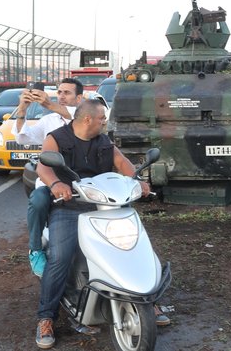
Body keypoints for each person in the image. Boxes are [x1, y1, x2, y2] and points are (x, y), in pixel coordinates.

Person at [33, 99, 166, 348]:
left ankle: (148, 301)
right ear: (87, 119)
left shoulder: (103, 141)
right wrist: (56, 184)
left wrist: (137, 181)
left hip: (107, 206)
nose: (104, 121)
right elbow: (43, 166)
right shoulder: (58, 138)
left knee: (135, 245)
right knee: (60, 257)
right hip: (69, 206)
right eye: (102, 118)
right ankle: (45, 317)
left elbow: (122, 163)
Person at [13, 78, 83, 279]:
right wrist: (22, 108)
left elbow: (74, 118)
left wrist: (48, 104)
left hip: (83, 180)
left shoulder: (85, 116)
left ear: (79, 97)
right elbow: (22, 137)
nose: (61, 96)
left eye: (67, 93)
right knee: (38, 200)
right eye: (59, 92)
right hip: (51, 180)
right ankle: (35, 250)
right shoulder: (48, 121)